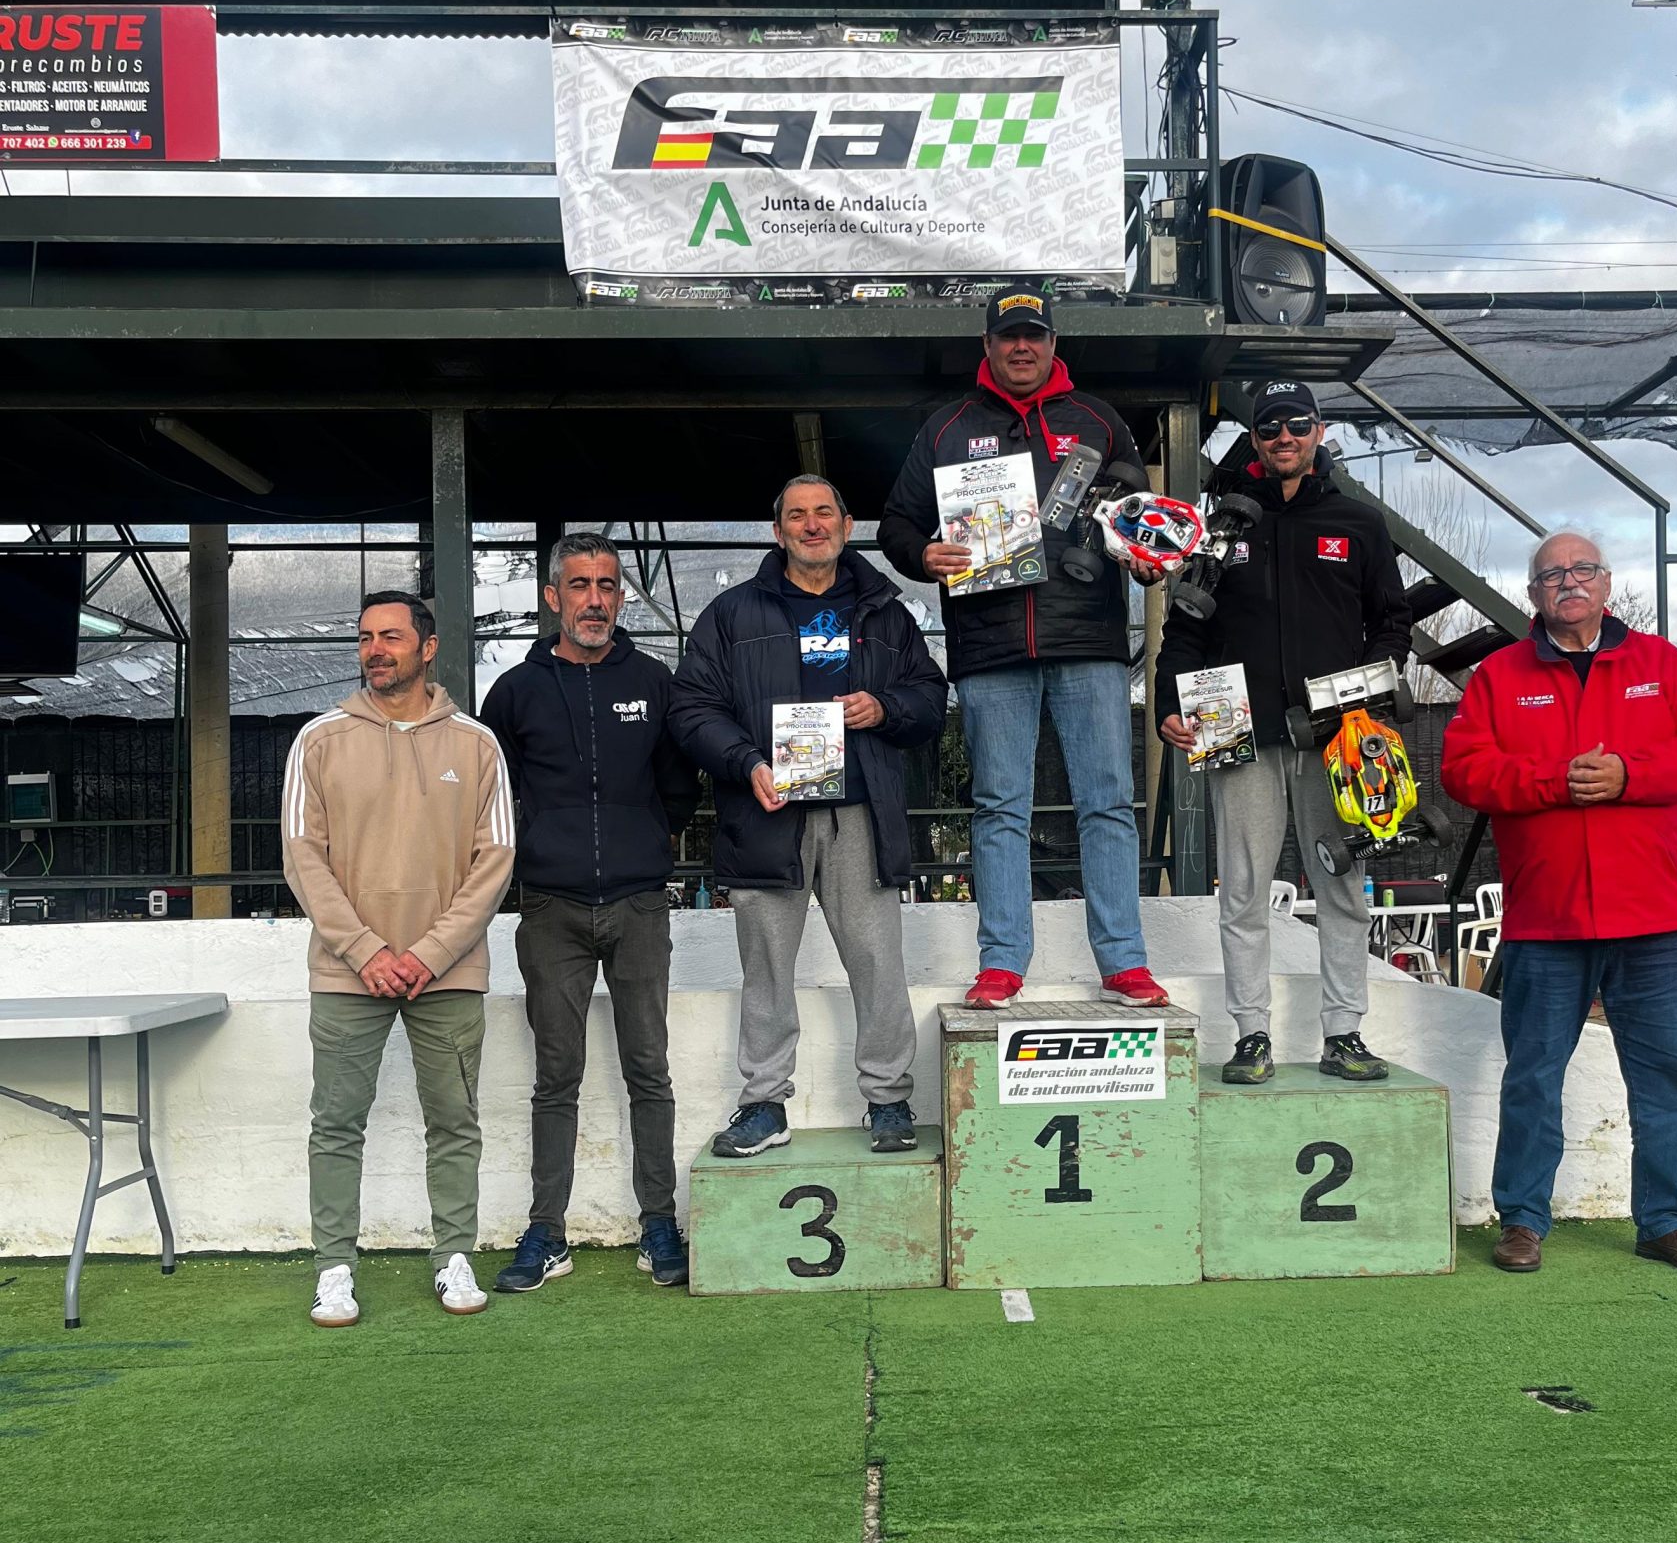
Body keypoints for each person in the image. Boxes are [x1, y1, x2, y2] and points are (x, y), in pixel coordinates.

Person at [1440, 531, 1677, 1274]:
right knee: (1533, 1078)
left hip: (1655, 919)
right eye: (1551, 575)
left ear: (1606, 583)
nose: (1568, 582)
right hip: (1547, 919)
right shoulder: (1498, 676)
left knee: (1665, 1079)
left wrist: (1630, 774)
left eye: (1582, 570)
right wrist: (1554, 782)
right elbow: (1463, 770)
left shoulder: (1659, 664)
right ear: (1533, 594)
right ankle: (1522, 1220)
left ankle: (1666, 1222)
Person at [877, 285, 1169, 1009]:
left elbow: (1142, 520)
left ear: (1052, 343)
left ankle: (1124, 962)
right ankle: (1002, 962)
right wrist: (925, 554)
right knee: (998, 807)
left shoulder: (1099, 420)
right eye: (1008, 336)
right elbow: (897, 526)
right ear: (987, 345)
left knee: (1107, 802)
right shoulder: (946, 428)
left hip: (1089, 641)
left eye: (1033, 335)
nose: (1021, 347)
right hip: (990, 645)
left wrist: (1144, 557)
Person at [669, 475, 947, 1157]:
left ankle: (888, 1099)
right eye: (797, 515)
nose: (812, 525)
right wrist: (746, 763)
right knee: (766, 967)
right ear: (778, 531)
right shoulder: (731, 614)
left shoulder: (887, 611)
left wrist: (885, 707)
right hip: (768, 812)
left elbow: (929, 696)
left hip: (860, 811)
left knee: (877, 961)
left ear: (847, 527)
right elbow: (692, 708)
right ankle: (765, 1103)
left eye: (825, 513)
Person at [1155, 380, 1411, 1084]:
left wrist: (1368, 700)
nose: (1284, 438)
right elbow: (1184, 629)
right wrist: (1169, 701)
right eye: (1270, 428)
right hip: (1237, 729)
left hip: (1336, 738)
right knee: (1242, 889)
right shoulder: (1218, 528)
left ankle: (1344, 1032)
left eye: (1297, 424)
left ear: (1319, 432)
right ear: (1256, 441)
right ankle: (1251, 1035)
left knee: (1341, 883)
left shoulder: (1359, 522)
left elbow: (1391, 622)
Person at [281, 591, 516, 1329]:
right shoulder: (318, 739)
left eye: (390, 636)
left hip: (448, 973)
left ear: (428, 647)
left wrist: (429, 953)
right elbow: (302, 858)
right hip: (346, 972)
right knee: (335, 1125)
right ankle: (334, 1268)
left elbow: (495, 860)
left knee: (454, 1123)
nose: (375, 650)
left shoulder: (476, 744)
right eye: (364, 638)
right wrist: (367, 951)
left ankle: (454, 1256)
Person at [480, 533, 701, 1294]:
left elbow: (680, 784)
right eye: (580, 586)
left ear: (620, 597)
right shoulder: (515, 692)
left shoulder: (654, 681)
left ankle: (659, 1224)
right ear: (553, 598)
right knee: (556, 1077)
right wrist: (540, 852)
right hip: (550, 907)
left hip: (639, 905)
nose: (595, 600)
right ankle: (547, 1232)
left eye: (607, 586)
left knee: (649, 1070)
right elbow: (493, 797)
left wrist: (648, 844)